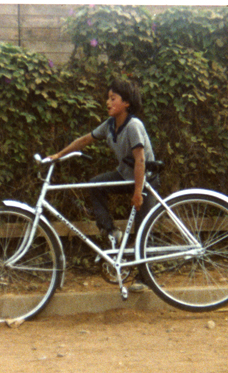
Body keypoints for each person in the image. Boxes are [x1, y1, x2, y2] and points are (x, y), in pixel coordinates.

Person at [49, 79, 159, 292]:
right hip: (124, 175)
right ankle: (110, 231)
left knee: (143, 228)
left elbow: (141, 160)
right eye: (107, 98)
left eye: (113, 98)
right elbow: (84, 140)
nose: (107, 102)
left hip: (144, 180)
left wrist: (138, 192)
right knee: (95, 185)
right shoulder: (110, 125)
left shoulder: (134, 126)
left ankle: (145, 278)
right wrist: (59, 155)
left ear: (126, 103)